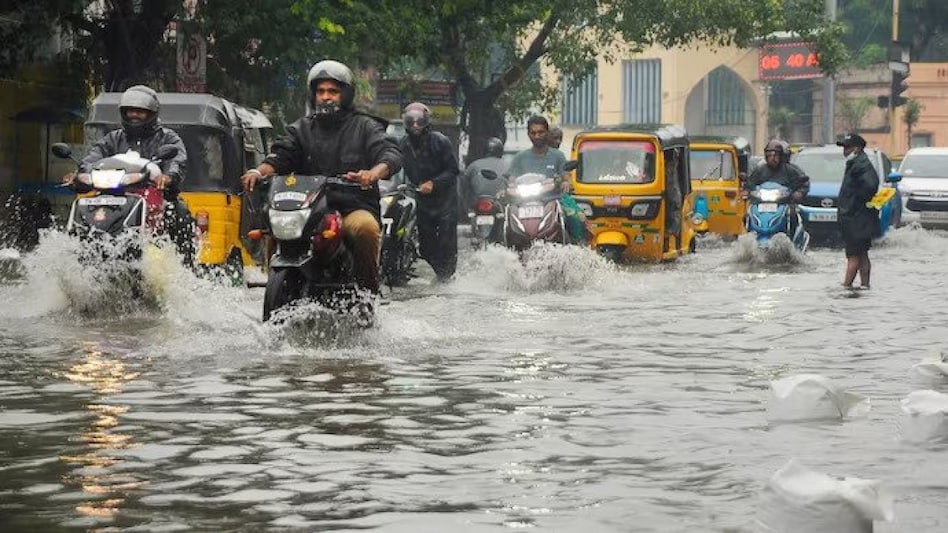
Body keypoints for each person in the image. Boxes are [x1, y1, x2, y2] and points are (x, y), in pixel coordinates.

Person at [240, 60, 402, 295]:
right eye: (321, 91)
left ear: (345, 95)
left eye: (333, 91)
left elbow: (389, 153)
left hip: (351, 208)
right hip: (307, 211)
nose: (326, 97)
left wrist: (373, 173)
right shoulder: (300, 129)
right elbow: (280, 156)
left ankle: (368, 294)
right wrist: (258, 171)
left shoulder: (365, 126)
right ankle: (274, 281)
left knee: (366, 229)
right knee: (275, 227)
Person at [63, 84, 194, 260]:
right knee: (86, 207)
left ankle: (184, 265)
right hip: (111, 194)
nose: (134, 115)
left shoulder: (167, 138)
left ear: (152, 113)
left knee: (180, 211)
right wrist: (81, 174)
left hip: (154, 196)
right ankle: (75, 252)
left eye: (140, 111)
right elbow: (93, 157)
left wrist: (168, 177)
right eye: (130, 111)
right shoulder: (113, 138)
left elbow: (177, 160)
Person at [398, 101, 460, 282]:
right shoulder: (403, 144)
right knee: (425, 246)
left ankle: (448, 277)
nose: (415, 126)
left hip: (445, 201)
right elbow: (394, 163)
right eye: (411, 121)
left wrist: (434, 183)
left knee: (447, 243)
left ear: (426, 122)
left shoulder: (440, 141)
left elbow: (453, 171)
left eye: (419, 121)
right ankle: (441, 273)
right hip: (422, 200)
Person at [507, 115, 589, 244]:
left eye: (540, 132)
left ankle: (579, 248)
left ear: (546, 133)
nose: (537, 136)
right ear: (528, 134)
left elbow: (565, 175)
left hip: (552, 199)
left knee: (576, 217)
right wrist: (506, 187)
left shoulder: (557, 156)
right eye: (533, 133)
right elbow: (511, 178)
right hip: (523, 202)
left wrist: (566, 182)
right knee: (504, 217)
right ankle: (501, 248)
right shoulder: (520, 157)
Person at [836, 133, 879, 289]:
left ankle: (846, 287)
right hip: (857, 218)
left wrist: (855, 205)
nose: (845, 151)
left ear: (858, 148)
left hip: (856, 219)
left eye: (847, 147)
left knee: (854, 255)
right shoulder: (856, 164)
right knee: (862, 254)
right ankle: (865, 286)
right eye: (844, 147)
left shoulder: (861, 165)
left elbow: (870, 187)